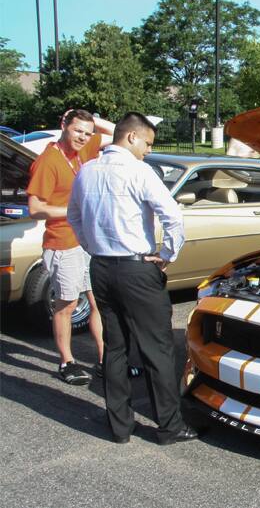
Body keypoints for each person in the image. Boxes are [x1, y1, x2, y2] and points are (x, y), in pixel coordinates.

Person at [67, 112, 197, 445]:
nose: (148, 151)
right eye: (148, 144)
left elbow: (74, 217)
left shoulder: (87, 170)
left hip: (102, 268)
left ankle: (119, 426)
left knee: (115, 347)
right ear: (131, 137)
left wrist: (94, 246)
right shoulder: (139, 171)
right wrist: (167, 255)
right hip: (137, 270)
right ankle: (169, 427)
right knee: (157, 349)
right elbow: (173, 217)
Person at [27, 109, 114, 385]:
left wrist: (93, 120)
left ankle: (104, 360)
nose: (84, 137)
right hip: (63, 243)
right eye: (78, 130)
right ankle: (67, 361)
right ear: (63, 125)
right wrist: (73, 210)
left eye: (88, 133)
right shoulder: (48, 160)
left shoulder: (83, 149)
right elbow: (35, 208)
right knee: (67, 305)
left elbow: (116, 132)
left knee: (98, 302)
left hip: (89, 242)